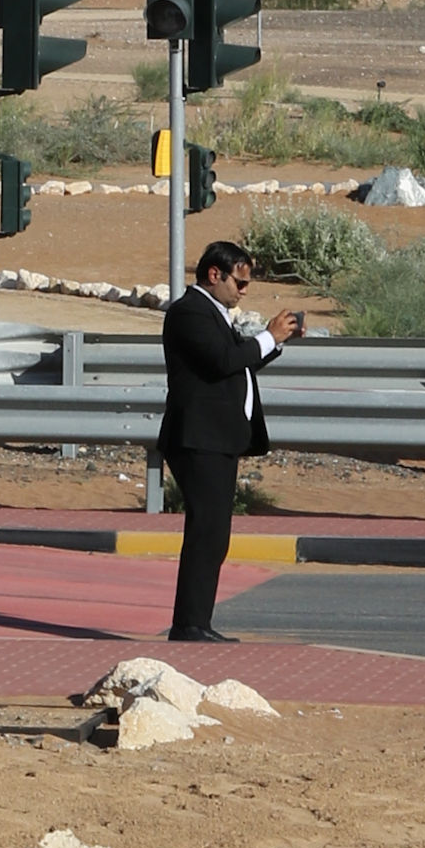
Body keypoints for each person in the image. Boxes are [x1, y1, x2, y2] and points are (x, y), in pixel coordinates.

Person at [159, 238, 303, 645]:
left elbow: (238, 359)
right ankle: (189, 625)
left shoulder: (214, 314)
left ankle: (196, 622)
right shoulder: (189, 312)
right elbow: (223, 361)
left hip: (216, 439)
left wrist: (277, 340)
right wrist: (268, 336)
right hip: (198, 439)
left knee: (214, 531)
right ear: (214, 274)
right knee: (207, 530)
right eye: (239, 282)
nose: (244, 290)